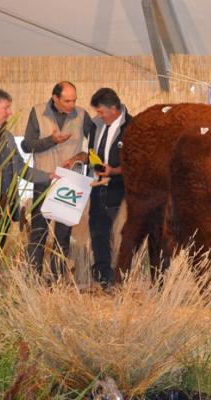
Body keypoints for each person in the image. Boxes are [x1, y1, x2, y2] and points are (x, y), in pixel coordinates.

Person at [21, 81, 94, 277]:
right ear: (55, 98)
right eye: (67, 101)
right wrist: (51, 141)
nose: (72, 105)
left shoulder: (82, 115)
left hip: (70, 184)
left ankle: (58, 280)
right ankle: (32, 280)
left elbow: (96, 148)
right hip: (43, 181)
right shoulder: (37, 112)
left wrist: (81, 157)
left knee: (63, 235)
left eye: (74, 100)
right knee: (39, 233)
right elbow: (27, 146)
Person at [64, 88, 132, 287]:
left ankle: (122, 279)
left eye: (101, 111)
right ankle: (103, 278)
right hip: (97, 189)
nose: (99, 115)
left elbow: (137, 163)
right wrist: (77, 158)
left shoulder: (133, 127)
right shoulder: (96, 126)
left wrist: (114, 171)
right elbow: (91, 154)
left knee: (121, 237)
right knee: (98, 233)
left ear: (113, 108)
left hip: (120, 191)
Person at [0, 88, 57, 252]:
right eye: (6, 108)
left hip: (4, 210)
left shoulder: (8, 137)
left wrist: (49, 176)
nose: (10, 113)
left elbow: (21, 168)